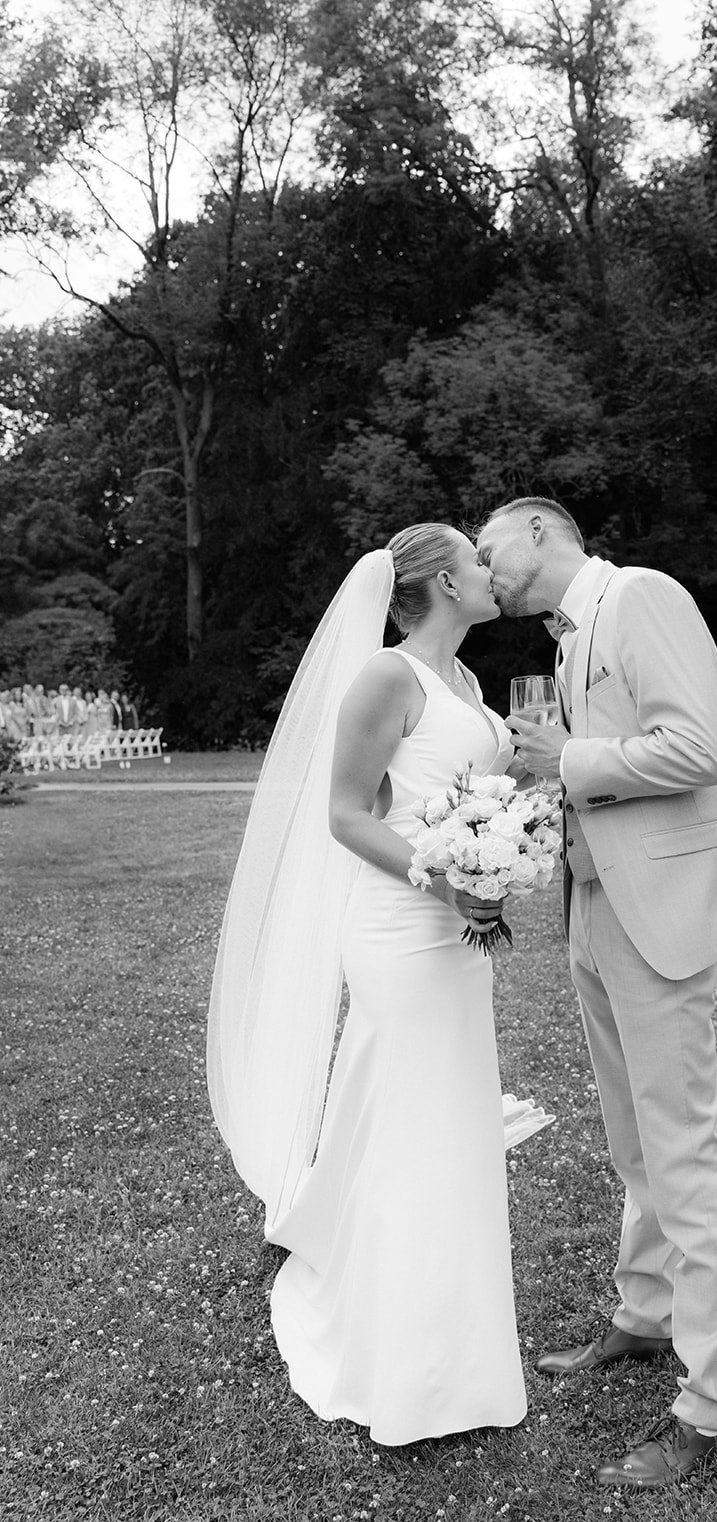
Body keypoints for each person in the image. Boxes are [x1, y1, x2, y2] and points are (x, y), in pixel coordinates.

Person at [476, 497, 717, 1489]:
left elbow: (696, 747)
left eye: (489, 551)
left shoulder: (641, 596)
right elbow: (605, 765)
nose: (485, 574)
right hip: (595, 912)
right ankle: (644, 1320)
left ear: (537, 530)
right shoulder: (568, 641)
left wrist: (562, 758)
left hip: (657, 917)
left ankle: (711, 1409)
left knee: (683, 1150)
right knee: (632, 1143)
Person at [208, 525, 534, 1446]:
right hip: (398, 928)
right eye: (476, 561)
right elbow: (346, 815)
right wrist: (448, 877)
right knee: (410, 1120)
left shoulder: (466, 683)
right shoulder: (388, 678)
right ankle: (399, 1355)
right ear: (440, 581)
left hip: (456, 925)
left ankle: (451, 1329)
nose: (489, 571)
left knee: (449, 1119)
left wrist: (505, 851)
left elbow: (466, 797)